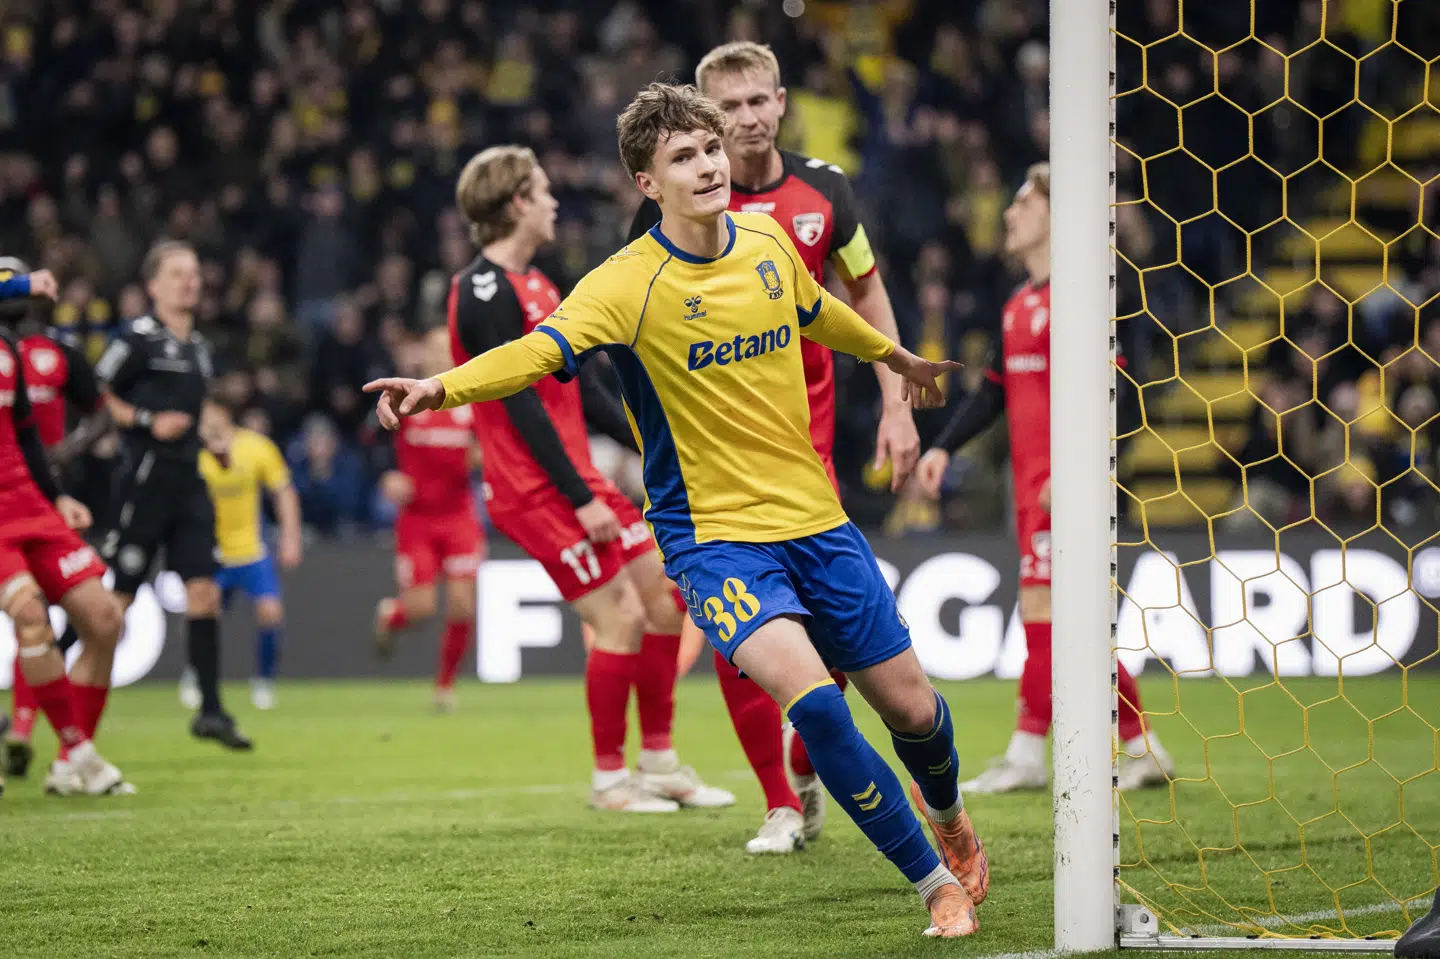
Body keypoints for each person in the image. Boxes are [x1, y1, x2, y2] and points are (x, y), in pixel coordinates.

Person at [367, 83, 987, 938]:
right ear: (646, 182)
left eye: (710, 148)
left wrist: (894, 358)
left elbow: (817, 313)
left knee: (913, 707)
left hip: (814, 518)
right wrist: (438, 387)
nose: (707, 166)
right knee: (816, 705)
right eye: (683, 157)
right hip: (714, 542)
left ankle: (951, 818)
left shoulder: (769, 239)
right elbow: (530, 355)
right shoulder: (625, 284)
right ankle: (932, 882)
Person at [627, 40, 921, 855]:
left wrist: (897, 403)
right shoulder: (668, 215)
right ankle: (780, 800)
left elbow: (867, 291)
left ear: (782, 102)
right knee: (742, 631)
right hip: (721, 469)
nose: (748, 121)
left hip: (809, 450)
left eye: (760, 102)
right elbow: (627, 327)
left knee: (831, 650)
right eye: (730, 109)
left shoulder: (826, 192)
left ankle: (812, 754)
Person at [439, 143, 733, 813]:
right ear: (517, 203)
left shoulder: (540, 287)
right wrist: (580, 495)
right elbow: (516, 401)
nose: (552, 201)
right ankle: (609, 779)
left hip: (576, 477)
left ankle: (657, 760)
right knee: (619, 616)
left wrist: (655, 439)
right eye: (541, 191)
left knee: (664, 597)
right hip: (534, 489)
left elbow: (588, 390)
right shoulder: (481, 291)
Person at [914, 163, 1174, 793]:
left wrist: (1079, 469)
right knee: (1062, 621)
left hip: (1069, 488)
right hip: (1034, 488)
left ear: (1059, 214)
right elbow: (995, 391)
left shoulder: (1085, 297)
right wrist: (943, 447)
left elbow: (1116, 395)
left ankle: (1033, 753)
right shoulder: (1019, 304)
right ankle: (1138, 746)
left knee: (1049, 615)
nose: (1009, 214)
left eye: (1023, 202)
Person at [82, 241, 252, 749]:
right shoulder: (136, 339)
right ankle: (52, 691)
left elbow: (187, 417)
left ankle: (211, 710)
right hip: (146, 480)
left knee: (205, 592)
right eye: (178, 274)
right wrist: (145, 421)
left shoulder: (198, 346)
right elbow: (93, 394)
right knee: (115, 603)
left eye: (195, 273)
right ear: (153, 285)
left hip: (189, 481)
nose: (190, 282)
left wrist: (211, 443)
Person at [0, 314, 129, 795]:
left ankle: (67, 760)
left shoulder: (7, 349)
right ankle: (76, 752)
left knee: (104, 619)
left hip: (30, 504)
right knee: (31, 616)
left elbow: (27, 436)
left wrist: (55, 497)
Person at [373, 328, 485, 712]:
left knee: (462, 605)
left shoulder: (472, 404)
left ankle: (444, 687)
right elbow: (371, 445)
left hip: (459, 517)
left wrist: (482, 456)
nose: (442, 355)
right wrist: (387, 475)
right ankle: (393, 616)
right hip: (417, 520)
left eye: (448, 349)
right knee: (421, 609)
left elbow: (490, 448)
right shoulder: (406, 399)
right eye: (434, 349)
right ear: (422, 354)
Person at [194, 398, 302, 712]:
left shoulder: (256, 447)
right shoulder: (194, 453)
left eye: (212, 416)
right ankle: (197, 675)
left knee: (270, 612)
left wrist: (290, 537)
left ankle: (264, 681)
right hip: (212, 551)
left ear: (226, 416)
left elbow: (283, 491)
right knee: (204, 615)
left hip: (250, 549)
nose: (207, 424)